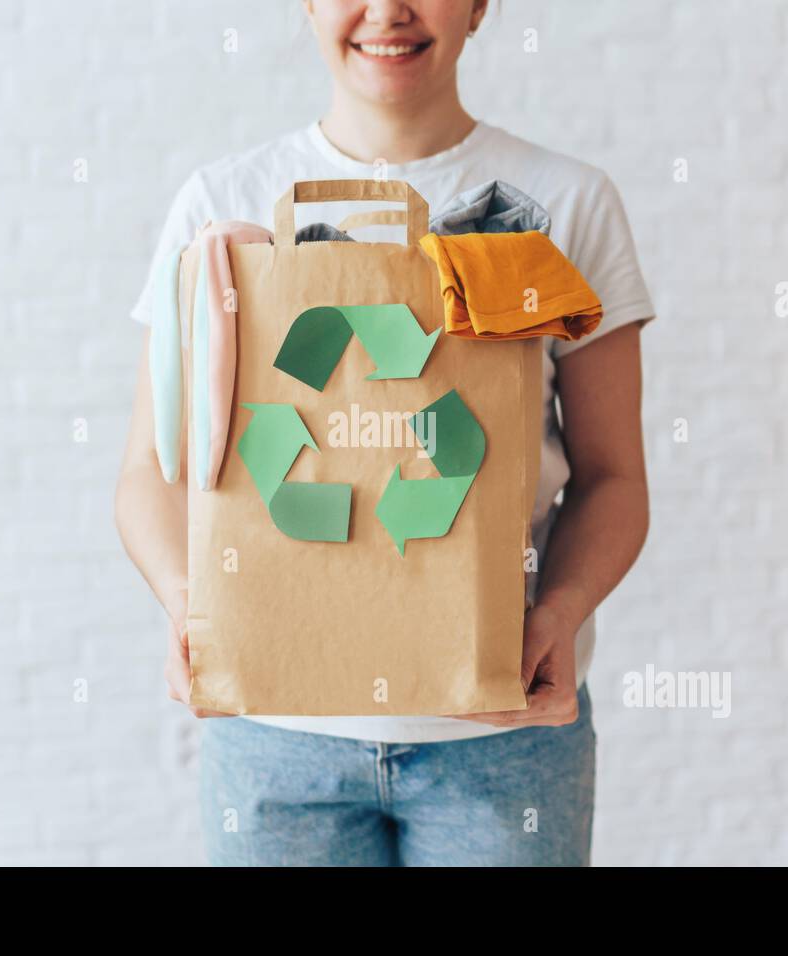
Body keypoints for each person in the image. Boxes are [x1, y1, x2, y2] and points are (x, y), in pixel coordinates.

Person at [116, 0, 654, 866]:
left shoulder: (564, 206)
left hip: (503, 736)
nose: (388, 11)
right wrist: (192, 607)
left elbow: (613, 477)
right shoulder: (221, 209)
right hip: (274, 735)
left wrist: (559, 611)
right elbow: (151, 468)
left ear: (482, 5)